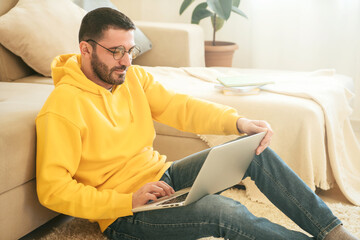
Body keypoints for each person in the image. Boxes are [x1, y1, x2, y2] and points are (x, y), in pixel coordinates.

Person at [35, 7, 358, 240]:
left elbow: (181, 107)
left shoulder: (133, 77)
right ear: (85, 49)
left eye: (130, 50)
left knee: (253, 152)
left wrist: (238, 122)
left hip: (162, 178)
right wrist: (126, 201)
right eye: (116, 51)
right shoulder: (62, 108)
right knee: (223, 211)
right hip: (124, 214)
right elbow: (52, 190)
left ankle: (333, 233)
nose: (126, 61)